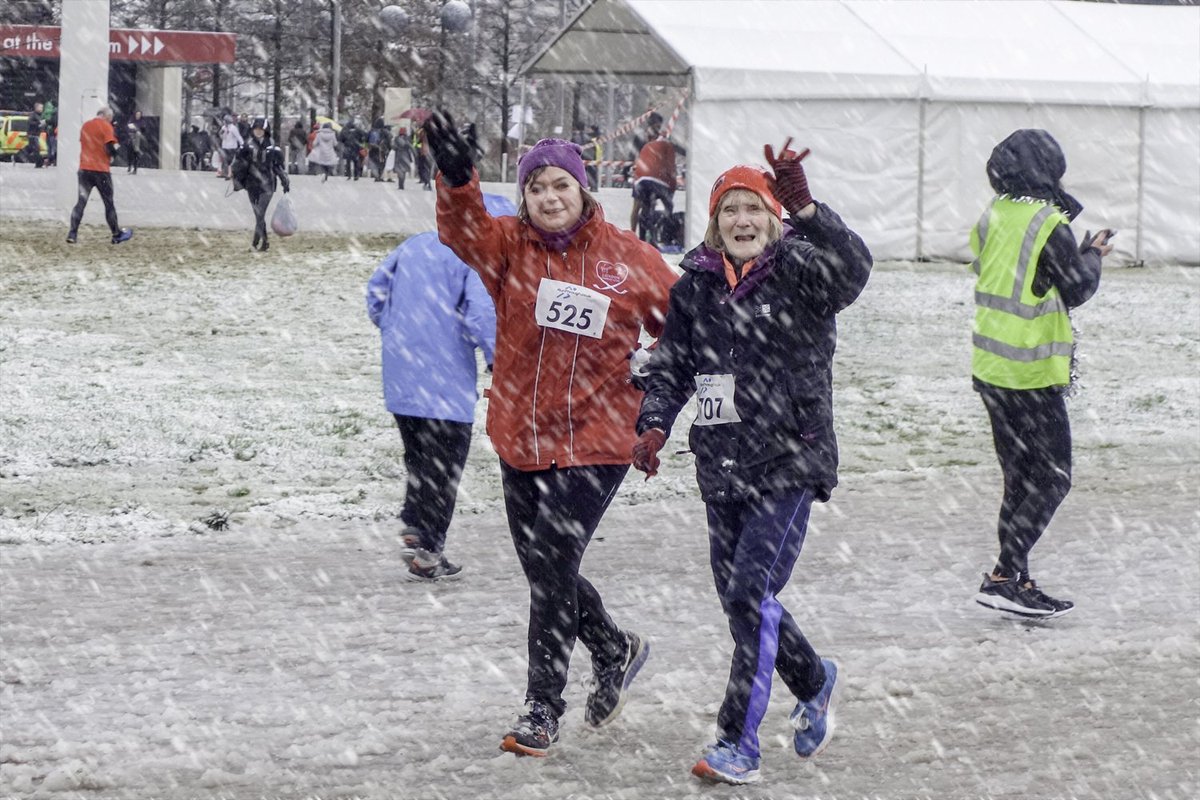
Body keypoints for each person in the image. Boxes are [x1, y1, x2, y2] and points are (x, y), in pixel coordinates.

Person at [423, 111, 677, 758]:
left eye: (561, 185)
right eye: (537, 188)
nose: (550, 198)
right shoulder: (508, 245)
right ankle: (614, 646)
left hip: (598, 438)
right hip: (522, 435)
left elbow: (684, 324)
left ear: (584, 190)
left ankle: (542, 705)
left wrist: (661, 375)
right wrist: (457, 176)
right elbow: (463, 227)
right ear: (526, 197)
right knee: (544, 568)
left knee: (552, 566)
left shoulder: (627, 258)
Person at [632, 142, 873, 785]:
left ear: (771, 219)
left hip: (792, 459)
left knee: (749, 593)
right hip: (722, 465)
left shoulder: (800, 271)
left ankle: (738, 741)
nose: (742, 220)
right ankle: (814, 677)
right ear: (714, 224)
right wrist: (653, 424)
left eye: (754, 209)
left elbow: (852, 270)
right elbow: (671, 365)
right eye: (729, 210)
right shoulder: (696, 288)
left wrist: (806, 207)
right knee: (745, 603)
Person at [969, 129, 1109, 619]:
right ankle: (1005, 575)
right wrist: (1091, 255)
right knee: (1051, 479)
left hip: (991, 368)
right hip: (1029, 372)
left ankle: (1015, 577)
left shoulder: (995, 215)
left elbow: (1013, 267)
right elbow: (1075, 289)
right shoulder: (1048, 222)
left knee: (1021, 479)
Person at [366, 192, 517, 581]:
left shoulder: (414, 244)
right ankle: (428, 550)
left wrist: (399, 332)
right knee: (445, 466)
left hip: (401, 375)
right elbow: (481, 313)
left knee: (418, 457)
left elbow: (375, 293)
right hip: (444, 381)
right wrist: (499, 359)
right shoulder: (474, 255)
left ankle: (414, 526)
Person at [66, 106, 133, 245]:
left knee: (81, 202)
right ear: (106, 116)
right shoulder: (106, 126)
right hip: (101, 170)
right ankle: (116, 234)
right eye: (111, 118)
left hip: (84, 169)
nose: (111, 121)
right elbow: (109, 146)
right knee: (109, 204)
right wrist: (115, 153)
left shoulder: (85, 125)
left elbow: (87, 144)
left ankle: (72, 233)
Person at [629, 112, 686, 244]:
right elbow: (675, 148)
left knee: (642, 207)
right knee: (644, 206)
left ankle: (638, 235)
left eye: (659, 125)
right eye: (657, 125)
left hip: (644, 175)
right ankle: (644, 234)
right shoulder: (654, 138)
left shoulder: (650, 137)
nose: (658, 128)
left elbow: (633, 155)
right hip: (651, 176)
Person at [234, 117, 290, 251]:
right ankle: (265, 243)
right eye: (256, 129)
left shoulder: (273, 147)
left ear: (265, 130)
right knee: (258, 215)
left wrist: (284, 180)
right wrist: (236, 178)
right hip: (251, 184)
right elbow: (240, 164)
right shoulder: (246, 146)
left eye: (261, 129)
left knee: (260, 214)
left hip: (267, 184)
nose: (258, 132)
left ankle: (254, 243)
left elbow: (278, 167)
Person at [218, 114, 243, 179]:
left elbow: (238, 136)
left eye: (224, 120)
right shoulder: (223, 127)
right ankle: (224, 173)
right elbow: (222, 137)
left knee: (230, 161)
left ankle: (230, 174)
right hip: (225, 146)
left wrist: (242, 144)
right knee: (224, 160)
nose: (223, 122)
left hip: (232, 146)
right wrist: (222, 133)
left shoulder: (233, 128)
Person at [25, 102, 45, 168]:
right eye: (41, 107)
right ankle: (38, 164)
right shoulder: (33, 115)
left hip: (35, 134)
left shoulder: (38, 115)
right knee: (36, 150)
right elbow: (29, 122)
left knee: (32, 149)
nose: (42, 109)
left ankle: (38, 164)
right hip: (33, 135)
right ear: (36, 108)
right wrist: (38, 123)